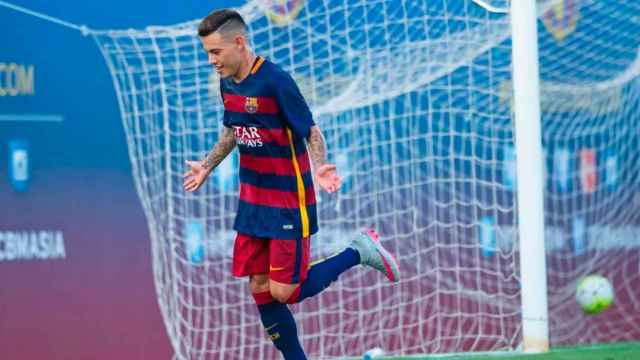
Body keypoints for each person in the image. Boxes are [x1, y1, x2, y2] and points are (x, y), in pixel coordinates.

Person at [183, 8, 400, 359]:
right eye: (207, 53)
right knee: (259, 286)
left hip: (288, 200)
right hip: (252, 202)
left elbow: (310, 130)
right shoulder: (228, 82)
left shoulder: (276, 82)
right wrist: (207, 165)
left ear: (239, 43)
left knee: (285, 291)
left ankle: (358, 251)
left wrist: (320, 168)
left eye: (215, 52)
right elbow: (232, 130)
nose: (211, 61)